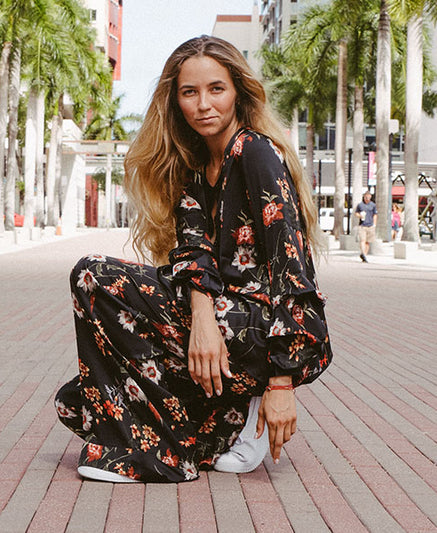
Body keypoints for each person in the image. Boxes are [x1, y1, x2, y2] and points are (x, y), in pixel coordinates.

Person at [54, 36, 333, 483]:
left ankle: (165, 450)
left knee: (95, 282)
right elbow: (193, 257)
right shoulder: (197, 167)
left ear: (238, 92)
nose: (204, 104)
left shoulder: (255, 153)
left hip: (263, 331)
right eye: (190, 92)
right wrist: (201, 319)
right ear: (175, 100)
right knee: (85, 358)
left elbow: (292, 270)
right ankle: (222, 423)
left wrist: (282, 383)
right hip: (219, 322)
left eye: (216, 89)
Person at [355, 191, 377, 262]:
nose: (367, 198)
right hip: (362, 225)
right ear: (364, 197)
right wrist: (360, 216)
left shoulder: (373, 205)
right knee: (362, 240)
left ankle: (364, 255)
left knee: (368, 241)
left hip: (370, 225)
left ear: (370, 197)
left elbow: (375, 215)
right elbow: (356, 213)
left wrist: (374, 224)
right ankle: (363, 253)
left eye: (368, 197)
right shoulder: (360, 205)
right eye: (366, 197)